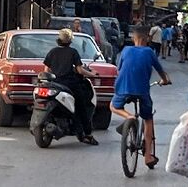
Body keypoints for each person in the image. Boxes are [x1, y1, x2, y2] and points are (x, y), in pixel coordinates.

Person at [110, 25, 171, 168]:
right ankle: (148, 156)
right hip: (142, 91)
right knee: (148, 119)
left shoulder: (126, 50)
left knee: (113, 106)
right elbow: (161, 72)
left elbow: (120, 69)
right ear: (147, 39)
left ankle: (129, 117)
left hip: (123, 88)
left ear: (133, 38)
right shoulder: (150, 52)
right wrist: (165, 80)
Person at [42, 28, 99, 145]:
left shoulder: (52, 52)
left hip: (54, 84)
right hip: (70, 85)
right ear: (70, 41)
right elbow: (80, 70)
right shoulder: (73, 52)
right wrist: (92, 74)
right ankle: (87, 134)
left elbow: (46, 70)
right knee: (81, 107)